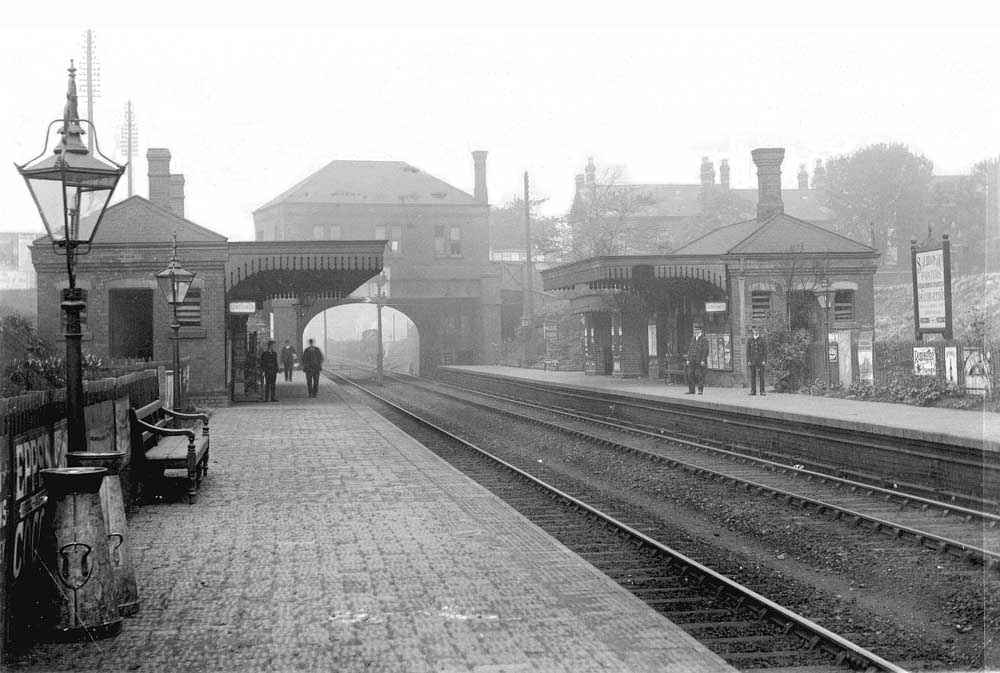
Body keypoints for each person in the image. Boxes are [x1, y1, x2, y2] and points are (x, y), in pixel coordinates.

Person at [685, 324, 709, 395]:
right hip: (692, 360)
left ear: (700, 330)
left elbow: (706, 351)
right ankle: (691, 390)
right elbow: (690, 350)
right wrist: (688, 359)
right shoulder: (693, 339)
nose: (696, 331)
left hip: (699, 361)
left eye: (697, 330)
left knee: (699, 375)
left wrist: (703, 360)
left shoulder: (704, 339)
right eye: (695, 330)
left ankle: (700, 390)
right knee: (689, 374)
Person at [746, 325, 767, 396]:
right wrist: (748, 360)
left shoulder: (762, 339)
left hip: (760, 361)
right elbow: (747, 351)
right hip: (752, 361)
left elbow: (765, 351)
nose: (756, 332)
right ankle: (753, 391)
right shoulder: (749, 340)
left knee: (761, 376)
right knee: (752, 376)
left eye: (757, 330)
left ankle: (762, 391)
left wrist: (764, 360)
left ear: (759, 331)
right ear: (752, 331)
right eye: (754, 330)